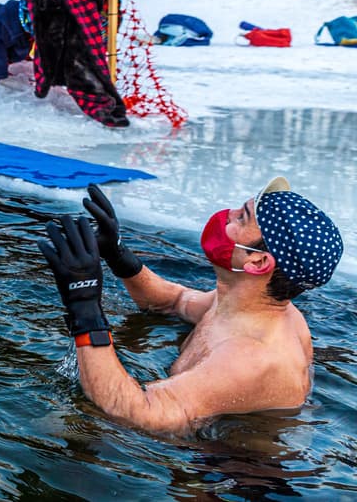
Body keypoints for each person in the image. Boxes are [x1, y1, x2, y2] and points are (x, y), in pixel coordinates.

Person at [39, 179, 344, 435]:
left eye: (242, 217)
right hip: (206, 435)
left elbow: (139, 414)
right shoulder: (248, 305)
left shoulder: (251, 358)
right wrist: (118, 254)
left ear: (258, 262)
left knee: (52, 431)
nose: (228, 214)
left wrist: (84, 306)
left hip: (226, 471)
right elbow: (174, 301)